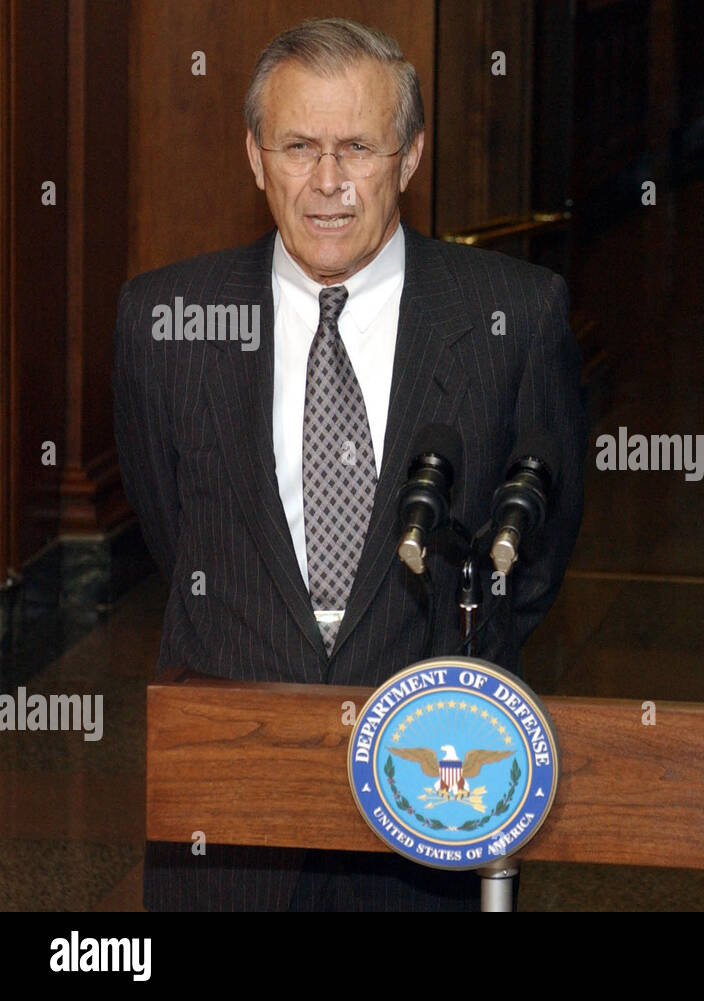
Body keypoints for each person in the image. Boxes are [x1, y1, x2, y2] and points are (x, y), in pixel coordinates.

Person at [113, 18, 586, 911]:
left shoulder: (515, 315)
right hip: (231, 794)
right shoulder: (165, 320)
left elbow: (537, 553)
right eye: (298, 147)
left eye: (357, 148)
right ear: (255, 156)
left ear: (409, 156)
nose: (327, 183)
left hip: (430, 796)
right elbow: (176, 533)